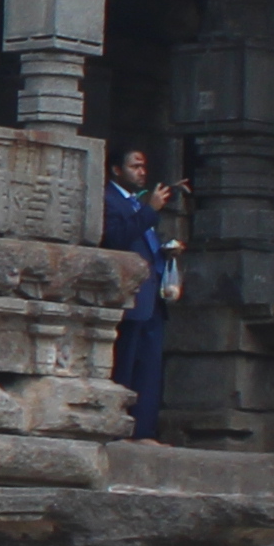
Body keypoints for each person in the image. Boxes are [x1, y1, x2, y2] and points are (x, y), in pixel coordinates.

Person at [103, 146, 182, 443]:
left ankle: (144, 429)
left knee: (149, 369)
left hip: (153, 298)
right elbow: (115, 238)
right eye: (135, 166)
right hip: (129, 296)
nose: (142, 172)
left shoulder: (137, 203)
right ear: (116, 169)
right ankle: (118, 427)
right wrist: (151, 210)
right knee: (126, 363)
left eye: (143, 166)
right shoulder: (109, 200)